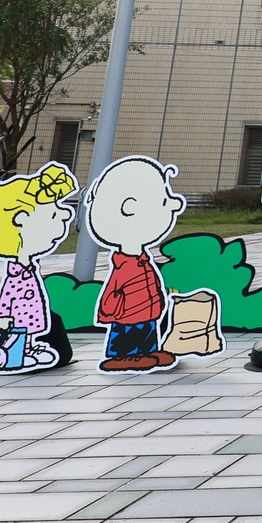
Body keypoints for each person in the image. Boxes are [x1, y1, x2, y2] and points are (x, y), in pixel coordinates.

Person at [86, 155, 187, 372]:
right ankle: (121, 357)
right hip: (128, 316)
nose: (174, 204)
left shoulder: (142, 260)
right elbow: (112, 292)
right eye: (164, 201)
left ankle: (147, 352)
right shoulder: (125, 265)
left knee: (147, 332)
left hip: (148, 313)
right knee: (126, 335)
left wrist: (160, 300)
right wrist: (111, 312)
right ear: (129, 208)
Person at [0, 163, 78, 371]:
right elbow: (7, 295)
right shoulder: (16, 273)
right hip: (16, 318)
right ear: (21, 220)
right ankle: (19, 353)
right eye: (53, 214)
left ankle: (28, 348)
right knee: (18, 332)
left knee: (26, 331)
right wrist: (1, 317)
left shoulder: (27, 269)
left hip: (29, 315)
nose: (66, 215)